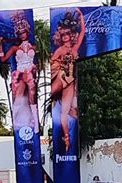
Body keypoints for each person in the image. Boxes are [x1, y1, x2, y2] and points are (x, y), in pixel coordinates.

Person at [0, 11, 39, 133]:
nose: (22, 35)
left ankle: (36, 123)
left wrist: (37, 67)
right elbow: (3, 58)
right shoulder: (15, 48)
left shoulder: (34, 47)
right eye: (20, 33)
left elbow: (40, 59)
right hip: (20, 73)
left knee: (32, 98)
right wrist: (0, 44)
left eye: (23, 32)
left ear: (27, 32)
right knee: (18, 98)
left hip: (30, 72)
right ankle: (15, 124)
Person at [51, 8, 85, 152]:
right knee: (53, 93)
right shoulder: (59, 50)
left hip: (70, 82)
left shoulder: (75, 48)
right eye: (62, 33)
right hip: (61, 78)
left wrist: (81, 16)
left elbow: (83, 31)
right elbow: (52, 62)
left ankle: (67, 139)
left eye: (67, 33)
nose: (65, 36)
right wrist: (58, 66)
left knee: (65, 113)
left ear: (71, 35)